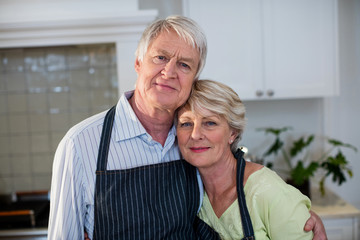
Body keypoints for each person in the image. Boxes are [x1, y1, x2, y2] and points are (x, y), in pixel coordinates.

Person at [48, 15, 327, 239]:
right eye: (160, 57)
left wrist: (291, 214)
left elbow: (237, 182)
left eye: (183, 64)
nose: (169, 72)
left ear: (194, 78)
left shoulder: (192, 145)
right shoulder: (81, 145)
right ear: (137, 62)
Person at [176, 79, 323, 239]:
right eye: (186, 123)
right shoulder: (188, 193)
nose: (195, 134)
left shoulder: (269, 192)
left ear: (233, 133)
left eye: (210, 123)